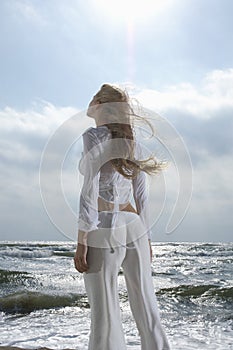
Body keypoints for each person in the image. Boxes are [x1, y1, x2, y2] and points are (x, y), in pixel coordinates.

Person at [74, 84, 171, 350]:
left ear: (102, 106)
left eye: (94, 97)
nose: (90, 100)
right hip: (134, 227)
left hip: (105, 226)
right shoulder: (133, 144)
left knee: (104, 312)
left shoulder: (93, 136)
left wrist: (82, 238)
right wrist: (147, 238)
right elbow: (142, 197)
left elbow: (90, 189)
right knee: (147, 307)